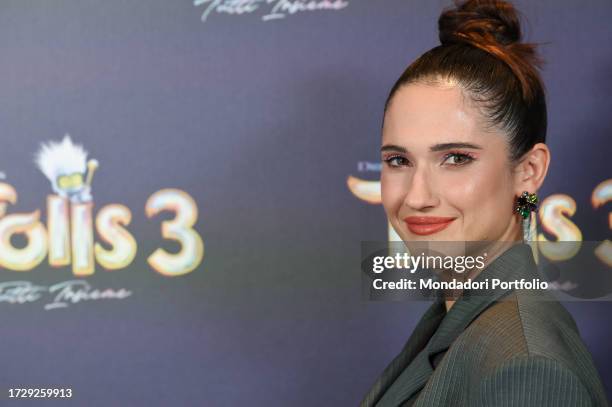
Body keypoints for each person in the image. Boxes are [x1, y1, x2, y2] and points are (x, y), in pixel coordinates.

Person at [359, 0, 608, 405]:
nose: (417, 197)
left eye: (456, 158)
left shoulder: (526, 367)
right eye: (398, 160)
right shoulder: (461, 321)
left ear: (528, 170)